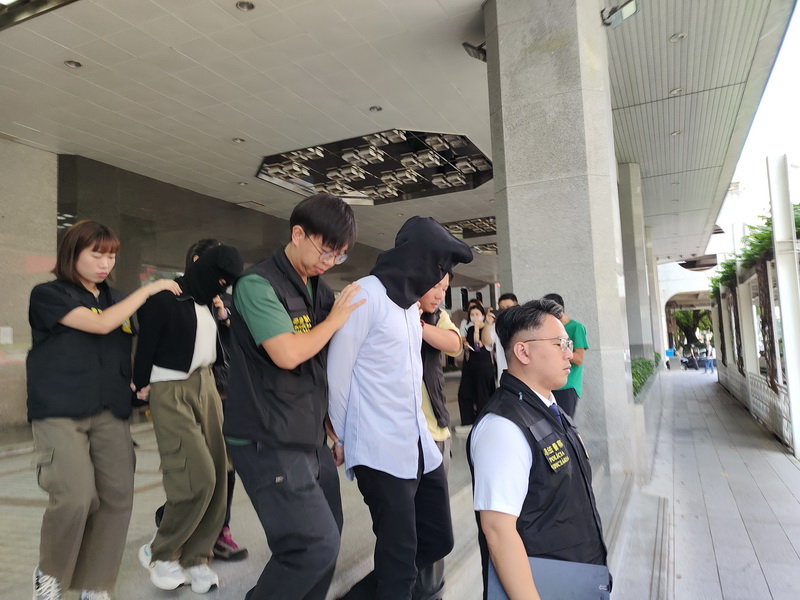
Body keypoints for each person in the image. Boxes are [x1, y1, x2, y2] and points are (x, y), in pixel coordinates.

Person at [27, 220, 181, 600]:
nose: (105, 264)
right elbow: (99, 326)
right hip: (60, 410)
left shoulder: (117, 299)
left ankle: (95, 585)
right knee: (75, 495)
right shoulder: (48, 295)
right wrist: (150, 289)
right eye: (97, 255)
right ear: (72, 253)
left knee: (117, 498)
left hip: (110, 409)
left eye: (111, 256)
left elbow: (122, 347)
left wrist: (136, 384)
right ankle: (50, 572)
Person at [223, 193, 363, 600]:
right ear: (298, 234)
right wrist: (335, 320)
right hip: (268, 439)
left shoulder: (317, 288)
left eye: (339, 255)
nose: (329, 262)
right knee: (309, 546)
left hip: (308, 436)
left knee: (329, 540)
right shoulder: (257, 285)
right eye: (326, 250)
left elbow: (321, 364)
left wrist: (333, 426)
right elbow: (287, 353)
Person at [328, 216, 473, 600]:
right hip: (379, 449)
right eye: (439, 268)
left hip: (419, 444)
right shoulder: (365, 295)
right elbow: (338, 375)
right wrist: (340, 437)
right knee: (399, 557)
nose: (440, 281)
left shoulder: (410, 307)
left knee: (437, 537)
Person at [468, 300, 610, 600]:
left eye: (568, 344)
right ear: (523, 352)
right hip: (545, 585)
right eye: (560, 344)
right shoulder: (503, 426)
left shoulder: (548, 407)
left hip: (578, 576)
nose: (569, 353)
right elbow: (499, 532)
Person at [133, 244, 244, 594]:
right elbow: (146, 343)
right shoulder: (166, 298)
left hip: (207, 385)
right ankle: (161, 551)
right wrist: (140, 382)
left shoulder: (210, 303)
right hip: (171, 388)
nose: (221, 285)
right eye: (219, 278)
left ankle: (197, 557)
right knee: (196, 475)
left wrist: (221, 311)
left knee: (221, 474)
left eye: (227, 282)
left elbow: (224, 343)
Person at [415, 271, 463, 599]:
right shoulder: (386, 309)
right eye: (435, 286)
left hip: (436, 433)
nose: (440, 294)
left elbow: (454, 344)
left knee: (433, 521)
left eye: (445, 288)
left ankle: (431, 591)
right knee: (407, 522)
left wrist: (417, 326)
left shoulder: (436, 316)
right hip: (400, 437)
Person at [542, 293, 587, 417]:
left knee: (564, 423)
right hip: (551, 385)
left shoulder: (576, 327)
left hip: (568, 385)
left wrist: (560, 346)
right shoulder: (550, 329)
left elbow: (579, 359)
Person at [457, 304, 496, 429]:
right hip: (469, 365)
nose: (474, 317)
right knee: (464, 392)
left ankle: (482, 422)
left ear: (483, 316)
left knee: (482, 394)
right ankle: (467, 421)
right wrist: (465, 344)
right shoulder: (469, 329)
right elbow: (468, 343)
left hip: (482, 366)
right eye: (472, 315)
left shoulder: (486, 329)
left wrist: (477, 328)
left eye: (477, 314)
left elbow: (478, 345)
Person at [481, 293, 519, 385]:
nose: (505, 311)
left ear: (517, 306)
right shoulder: (497, 326)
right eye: (502, 308)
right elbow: (487, 342)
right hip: (505, 375)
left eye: (509, 307)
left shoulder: (524, 323)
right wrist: (488, 323)